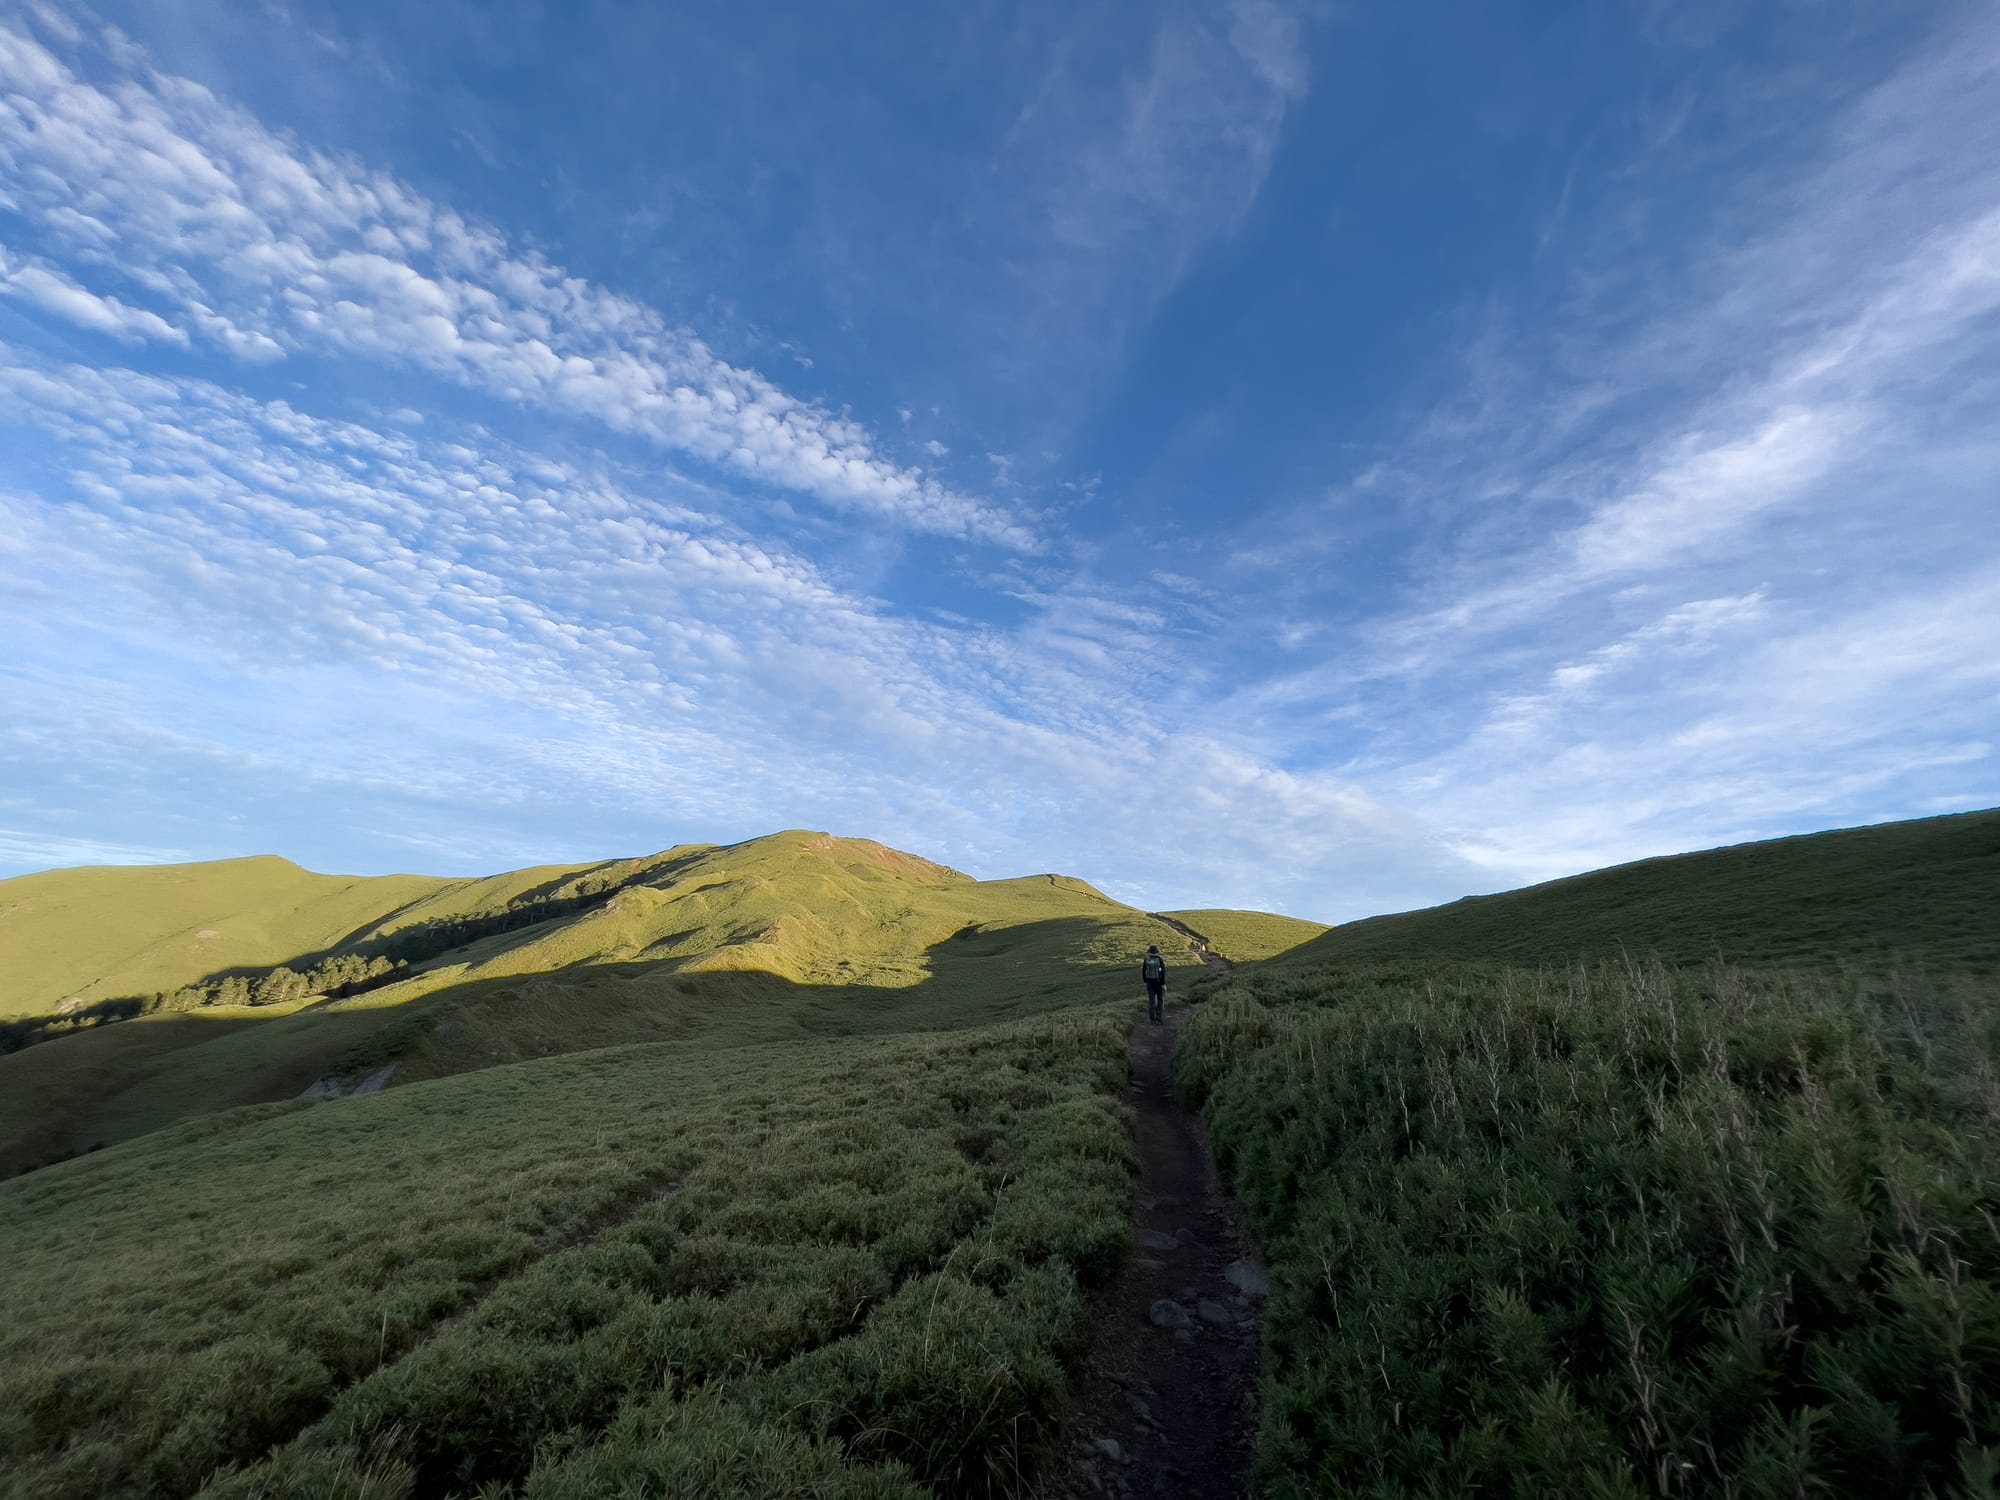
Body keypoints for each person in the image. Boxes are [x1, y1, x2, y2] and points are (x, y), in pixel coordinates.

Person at [1142, 944, 1167, 1024]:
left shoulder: (1146, 959)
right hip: (1159, 983)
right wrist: (1163, 984)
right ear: (1157, 952)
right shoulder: (1160, 960)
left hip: (1149, 983)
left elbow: (1143, 971)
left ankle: (1152, 1020)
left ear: (1149, 952)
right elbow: (1162, 972)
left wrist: (1145, 981)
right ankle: (1158, 1018)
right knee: (1160, 1000)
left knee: (1151, 1001)